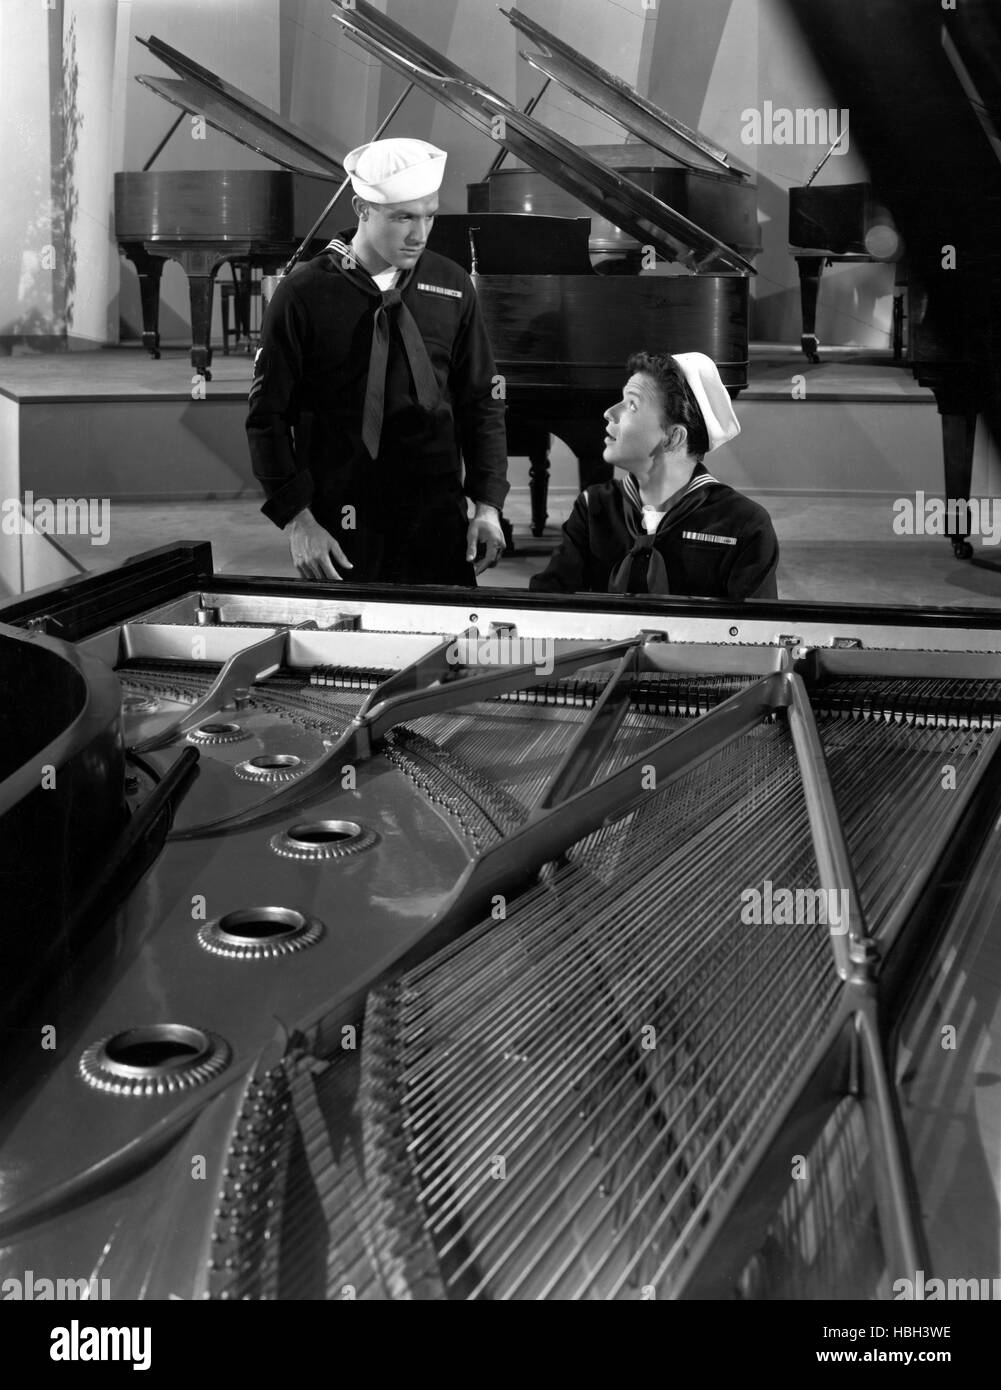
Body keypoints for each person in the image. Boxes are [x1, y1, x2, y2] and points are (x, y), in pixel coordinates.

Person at [247, 137, 508, 584]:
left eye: (429, 216)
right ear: (361, 208)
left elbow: (481, 402)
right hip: (341, 520)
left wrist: (487, 505)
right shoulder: (302, 293)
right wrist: (299, 522)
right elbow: (267, 419)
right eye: (403, 217)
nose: (419, 235)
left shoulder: (453, 284)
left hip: (437, 514)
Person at [529, 351, 779, 600]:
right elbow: (546, 603)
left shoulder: (744, 523)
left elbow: (757, 630)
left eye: (631, 405)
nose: (609, 412)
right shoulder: (594, 507)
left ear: (673, 437)